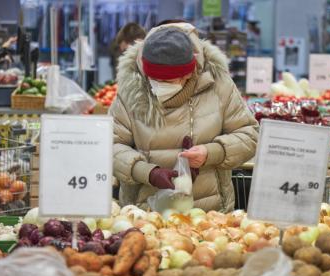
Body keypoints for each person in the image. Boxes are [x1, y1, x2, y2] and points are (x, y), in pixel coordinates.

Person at [110, 23, 258, 212]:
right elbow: (111, 144)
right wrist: (147, 172)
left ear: (189, 73)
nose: (160, 85)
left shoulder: (219, 85)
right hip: (145, 213)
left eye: (168, 80)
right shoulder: (132, 88)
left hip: (209, 214)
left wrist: (211, 152)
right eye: (154, 79)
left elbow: (249, 134)